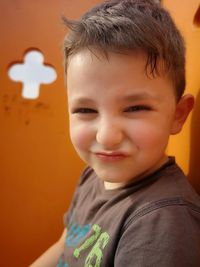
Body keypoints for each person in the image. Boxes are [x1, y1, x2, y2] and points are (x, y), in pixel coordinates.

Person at [30, 0, 200, 266]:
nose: (107, 137)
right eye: (86, 110)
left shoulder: (162, 223)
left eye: (135, 108)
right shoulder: (93, 174)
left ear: (178, 115)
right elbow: (64, 244)